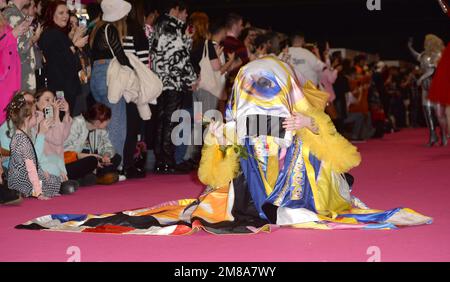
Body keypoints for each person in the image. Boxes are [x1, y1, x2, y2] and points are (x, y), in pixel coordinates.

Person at [16, 56, 433, 235]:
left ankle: (298, 202)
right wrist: (219, 140)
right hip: (257, 186)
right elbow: (215, 172)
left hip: (299, 182)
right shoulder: (240, 111)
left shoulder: (300, 106)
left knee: (314, 161)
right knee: (235, 175)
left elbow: (338, 149)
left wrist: (308, 126)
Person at [151, 0, 197, 174]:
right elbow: (179, 58)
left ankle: (161, 159)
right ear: (176, 9)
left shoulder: (160, 26)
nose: (185, 16)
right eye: (184, 12)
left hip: (161, 81)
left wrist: (186, 39)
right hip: (172, 81)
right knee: (170, 121)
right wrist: (191, 79)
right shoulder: (170, 27)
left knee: (162, 120)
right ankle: (167, 160)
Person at [90, 0, 132, 163]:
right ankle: (114, 165)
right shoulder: (110, 28)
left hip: (96, 75)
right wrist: (134, 71)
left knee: (103, 123)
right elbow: (120, 56)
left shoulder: (97, 29)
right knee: (116, 123)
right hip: (109, 77)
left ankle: (102, 163)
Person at [6, 94, 61, 200]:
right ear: (27, 118)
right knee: (55, 182)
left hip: (17, 181)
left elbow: (31, 162)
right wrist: (39, 193)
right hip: (24, 183)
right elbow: (30, 168)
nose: (37, 116)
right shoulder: (22, 139)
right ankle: (34, 191)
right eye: (35, 114)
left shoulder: (19, 135)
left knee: (52, 177)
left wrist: (40, 171)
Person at [38, 0, 87, 115]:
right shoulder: (50, 34)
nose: (66, 16)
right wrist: (75, 45)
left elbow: (69, 60)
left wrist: (74, 42)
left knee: (64, 124)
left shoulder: (59, 33)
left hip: (66, 87)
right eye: (61, 13)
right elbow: (60, 61)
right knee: (57, 123)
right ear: (51, 14)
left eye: (67, 12)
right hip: (59, 88)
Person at [64, 103, 121, 185]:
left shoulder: (101, 130)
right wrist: (90, 157)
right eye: (107, 121)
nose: (108, 123)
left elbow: (107, 145)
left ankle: (90, 176)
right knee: (91, 161)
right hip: (72, 161)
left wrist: (106, 155)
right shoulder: (76, 123)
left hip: (92, 161)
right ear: (98, 122)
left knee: (117, 157)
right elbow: (65, 150)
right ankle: (94, 176)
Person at [408, 35, 446, 146]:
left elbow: (432, 69)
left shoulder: (439, 54)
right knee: (427, 112)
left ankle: (443, 133)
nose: (426, 42)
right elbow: (417, 56)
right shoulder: (424, 55)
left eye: (428, 41)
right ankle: (433, 135)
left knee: (439, 114)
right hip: (425, 88)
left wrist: (421, 78)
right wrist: (409, 47)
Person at [2, 0, 37, 92]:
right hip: (20, 75)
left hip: (20, 73)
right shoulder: (12, 14)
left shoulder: (17, 13)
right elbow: (20, 48)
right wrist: (34, 38)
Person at [0, 12, 28, 124]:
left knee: (7, 122)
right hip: (3, 82)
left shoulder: (4, 22)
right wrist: (12, 35)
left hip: (11, 82)